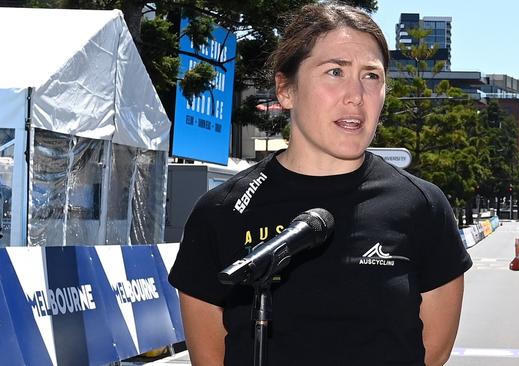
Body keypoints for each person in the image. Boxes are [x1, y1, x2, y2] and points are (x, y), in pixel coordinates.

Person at [168, 2, 472, 365]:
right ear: (286, 89)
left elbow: (432, 353)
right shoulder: (220, 212)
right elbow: (210, 357)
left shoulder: (424, 206)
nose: (355, 96)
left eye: (371, 76)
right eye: (334, 72)